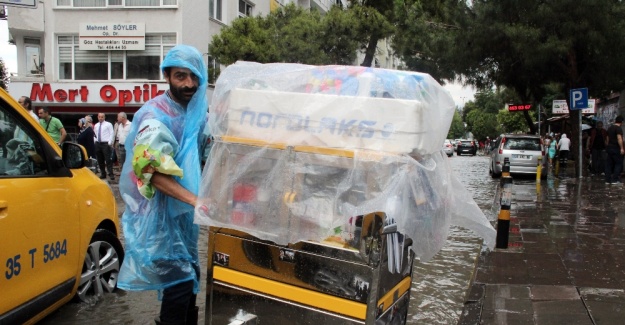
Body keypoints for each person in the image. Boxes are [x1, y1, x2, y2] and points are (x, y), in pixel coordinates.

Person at [117, 44, 208, 325]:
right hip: (159, 221)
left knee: (190, 277)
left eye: (194, 77)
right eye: (181, 76)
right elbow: (150, 171)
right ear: (167, 76)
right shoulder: (156, 116)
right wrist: (196, 201)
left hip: (183, 219)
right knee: (179, 284)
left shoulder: (194, 113)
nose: (189, 84)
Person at [93, 113, 115, 181]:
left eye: (102, 117)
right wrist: (95, 141)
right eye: (99, 117)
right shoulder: (96, 125)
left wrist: (110, 142)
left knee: (108, 160)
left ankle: (111, 174)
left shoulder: (108, 124)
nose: (100, 118)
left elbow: (112, 133)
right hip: (98, 143)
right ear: (97, 117)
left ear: (104, 117)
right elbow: (94, 134)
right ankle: (103, 173)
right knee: (100, 160)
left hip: (105, 144)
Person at [604, 115, 624, 185]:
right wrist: (621, 148)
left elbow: (607, 139)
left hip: (609, 148)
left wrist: (608, 146)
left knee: (609, 164)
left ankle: (607, 180)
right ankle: (615, 180)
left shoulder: (610, 128)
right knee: (618, 163)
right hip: (616, 148)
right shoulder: (618, 128)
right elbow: (619, 138)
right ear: (621, 122)